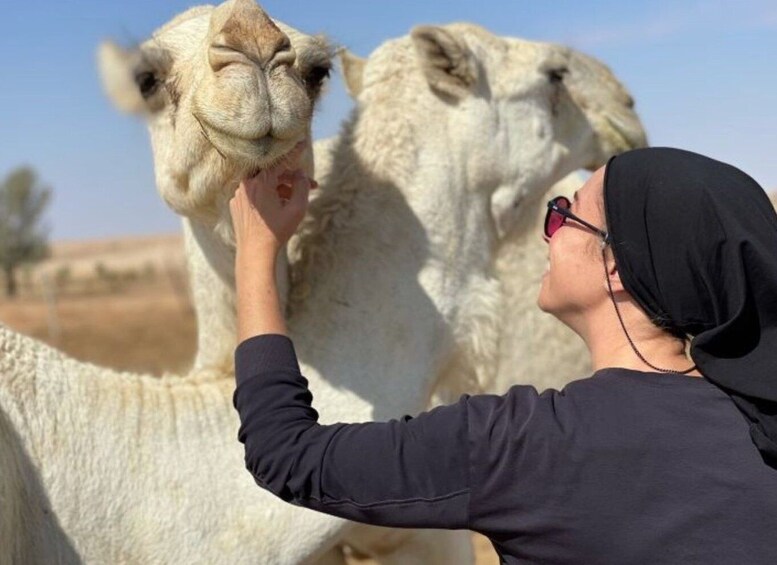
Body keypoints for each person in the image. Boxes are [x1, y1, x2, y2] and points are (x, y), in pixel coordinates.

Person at [229, 147, 777, 564]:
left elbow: (286, 453)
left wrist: (257, 248)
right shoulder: (759, 425)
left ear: (617, 267)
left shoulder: (521, 445)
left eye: (565, 215)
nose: (548, 234)